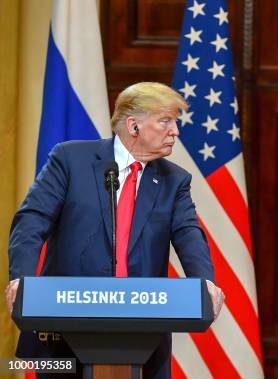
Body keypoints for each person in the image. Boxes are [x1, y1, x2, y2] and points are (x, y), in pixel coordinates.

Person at [4, 82, 225, 379]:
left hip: (142, 340)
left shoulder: (175, 181)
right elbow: (31, 221)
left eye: (175, 121)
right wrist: (21, 280)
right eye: (166, 121)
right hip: (63, 333)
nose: (176, 131)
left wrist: (205, 283)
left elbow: (189, 234)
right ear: (133, 125)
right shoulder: (70, 160)